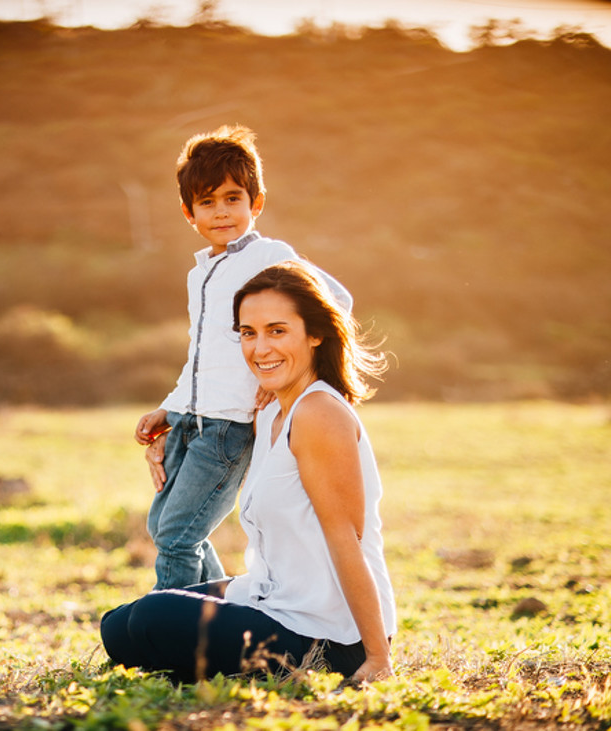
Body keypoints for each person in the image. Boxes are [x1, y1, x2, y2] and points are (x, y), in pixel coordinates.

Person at [104, 260, 395, 683]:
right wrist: (170, 433)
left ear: (316, 334)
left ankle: (205, 668)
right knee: (117, 625)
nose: (260, 349)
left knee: (153, 617)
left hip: (325, 634)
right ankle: (194, 664)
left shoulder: (319, 413)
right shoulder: (271, 410)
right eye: (248, 333)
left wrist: (377, 657)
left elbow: (347, 539)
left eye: (277, 331)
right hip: (270, 597)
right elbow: (215, 433)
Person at [136, 124, 352, 590]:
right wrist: (170, 408)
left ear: (257, 203)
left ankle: (172, 638)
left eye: (233, 198)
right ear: (188, 212)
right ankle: (225, 607)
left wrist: (283, 376)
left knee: (177, 536)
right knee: (168, 530)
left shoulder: (268, 255)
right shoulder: (201, 273)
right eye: (207, 202)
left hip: (228, 426)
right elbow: (202, 355)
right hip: (192, 421)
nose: (221, 212)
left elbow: (337, 300)